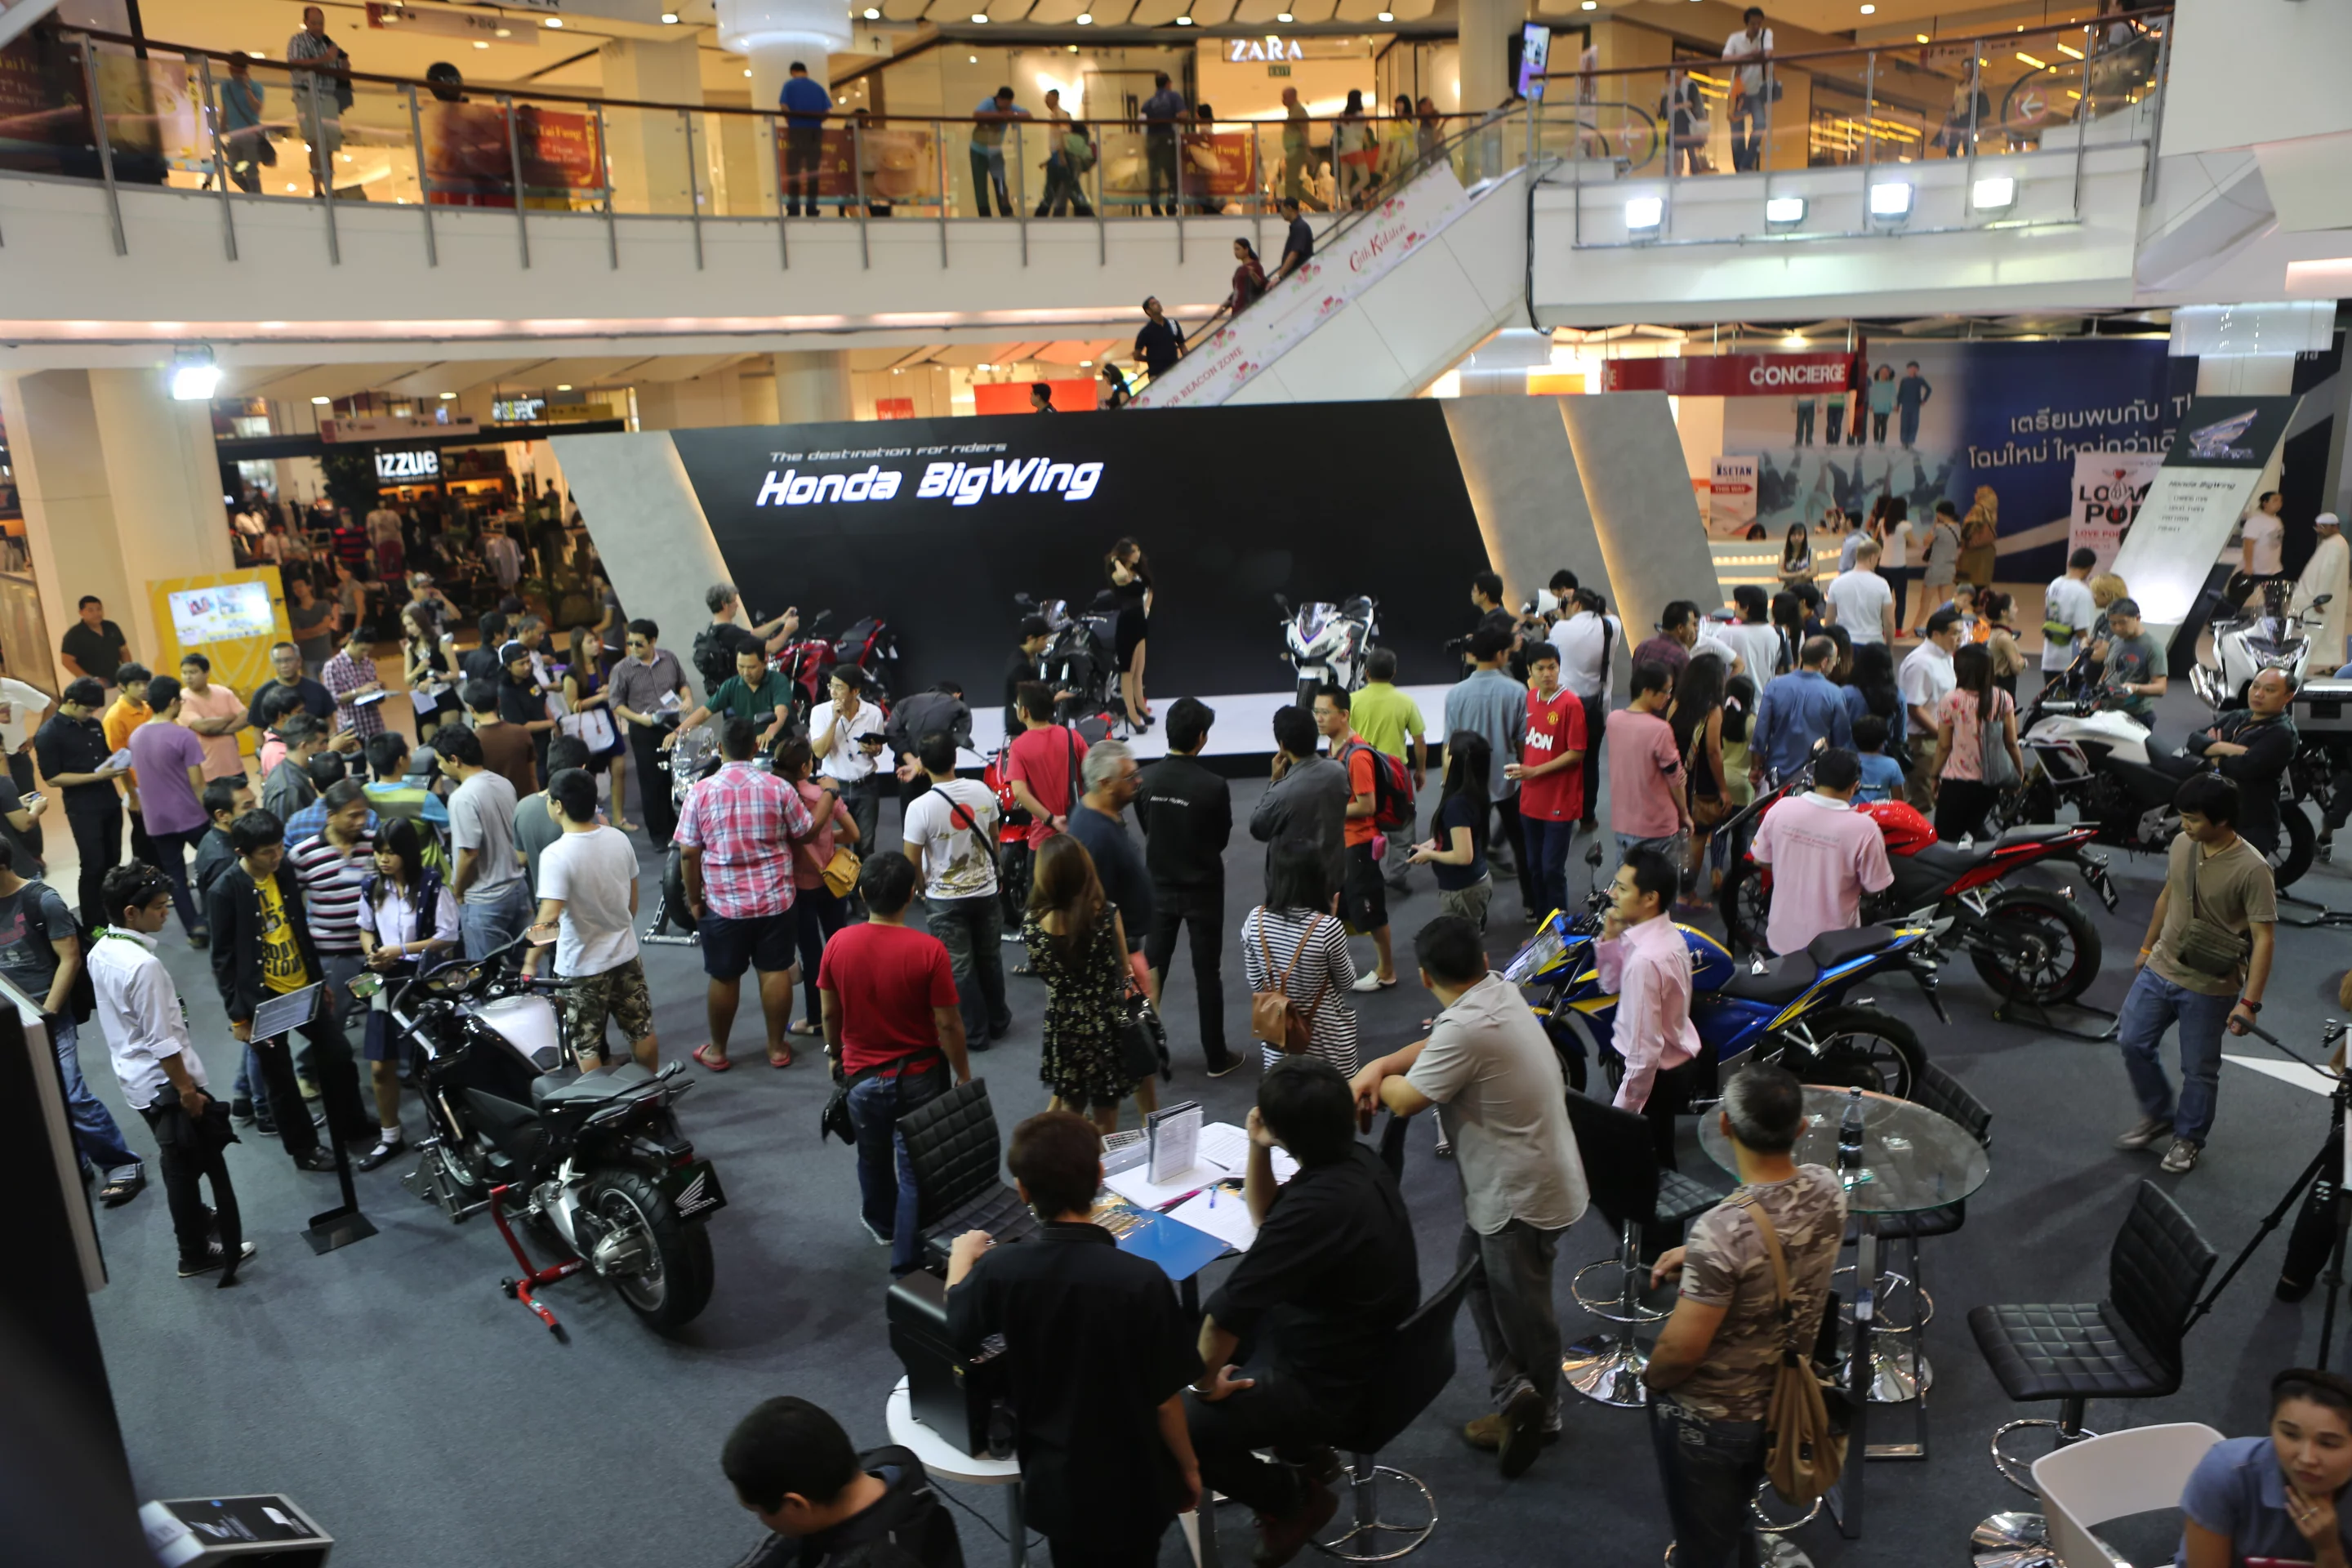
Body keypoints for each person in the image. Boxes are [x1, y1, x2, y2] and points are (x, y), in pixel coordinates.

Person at [1352, 915, 1586, 1478]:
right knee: (1476, 1279)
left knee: (1524, 1310)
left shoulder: (1466, 1031)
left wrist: (1374, 1078)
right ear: (1481, 961)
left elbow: (1406, 1100)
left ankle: (1541, 1413)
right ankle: (1517, 1394)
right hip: (1533, 1178)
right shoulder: (1498, 990)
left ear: (1425, 975)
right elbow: (1439, 1042)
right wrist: (1381, 1063)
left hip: (1518, 1197)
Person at [1186, 1058, 1419, 1568]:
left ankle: (1292, 1499)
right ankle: (1307, 1453)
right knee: (1211, 1346)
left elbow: (1226, 1315)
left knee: (1179, 1421)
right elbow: (1267, 1217)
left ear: (1287, 1135)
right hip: (1374, 1342)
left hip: (1336, 1379)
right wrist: (1256, 1145)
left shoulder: (1316, 1208)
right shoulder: (1356, 1162)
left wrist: (1203, 1386)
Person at [947, 1109, 1203, 1567]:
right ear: (1101, 1176)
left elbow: (959, 1325)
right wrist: (1188, 1466)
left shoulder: (1002, 1269)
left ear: (1022, 1189)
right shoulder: (1142, 1280)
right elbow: (1165, 1401)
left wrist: (961, 1259)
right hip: (1134, 1485)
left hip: (1059, 1487)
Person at [1642, 1061, 1845, 1568]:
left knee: (1705, 1544)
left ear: (1727, 1126)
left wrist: (1652, 1379)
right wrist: (1702, 1256)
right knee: (1737, 1514)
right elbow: (1785, 1239)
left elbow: (1682, 1350)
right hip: (1788, 1398)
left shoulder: (1720, 1230)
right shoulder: (1828, 1189)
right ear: (1799, 1129)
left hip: (1715, 1419)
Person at [90, 864, 255, 1279]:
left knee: (180, 1161)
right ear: (131, 912)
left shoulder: (102, 948)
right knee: (183, 1169)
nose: (168, 914)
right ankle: (194, 1253)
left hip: (137, 1079)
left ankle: (197, 1225)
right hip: (167, 1084)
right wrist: (188, 1090)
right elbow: (161, 1038)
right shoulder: (142, 967)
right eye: (161, 907)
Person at [2114, 773, 2274, 1176]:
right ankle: (2158, 1113)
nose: (2185, 825)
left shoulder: (2254, 869)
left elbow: (2264, 939)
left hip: (2210, 985)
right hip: (2160, 967)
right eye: (2183, 816)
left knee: (2199, 1070)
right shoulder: (2183, 844)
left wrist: (2250, 1004)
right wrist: (2147, 949)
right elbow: (2168, 895)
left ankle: (2188, 1138)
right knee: (2132, 1041)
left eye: (2194, 819)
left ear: (2223, 820)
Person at [819, 852, 971, 1273]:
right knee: (916, 1163)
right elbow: (949, 1024)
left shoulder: (838, 943)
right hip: (921, 1075)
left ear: (863, 894)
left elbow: (830, 1014)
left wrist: (835, 1055)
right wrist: (962, 1072)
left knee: (871, 1156)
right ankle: (911, 1246)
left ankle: (882, 1224)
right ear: (911, 895)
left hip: (862, 1080)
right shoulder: (929, 950)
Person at [207, 808, 375, 1172]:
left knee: (338, 1052)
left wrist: (318, 982)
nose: (277, 856)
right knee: (280, 1078)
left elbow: (301, 930)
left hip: (305, 987)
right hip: (263, 1000)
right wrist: (238, 1015)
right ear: (243, 852)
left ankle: (352, 1125)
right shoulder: (224, 891)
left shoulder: (283, 872)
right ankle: (305, 1150)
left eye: (279, 847)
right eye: (267, 852)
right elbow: (222, 960)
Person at [1, 854, 144, 1205]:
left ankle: (121, 1164)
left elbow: (70, 958)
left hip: (48, 1011)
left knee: (70, 1093)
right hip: (11, 1016)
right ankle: (74, 1159)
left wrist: (47, 1013)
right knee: (33, 1097)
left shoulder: (42, 900)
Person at [678, 718, 815, 1072]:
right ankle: (777, 1048)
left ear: (719, 750)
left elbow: (689, 853)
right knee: (774, 971)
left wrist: (694, 899)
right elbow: (804, 833)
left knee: (724, 976)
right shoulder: (779, 788)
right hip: (776, 900)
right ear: (756, 748)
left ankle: (718, 1051)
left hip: (723, 905)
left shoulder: (701, 791)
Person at [719, 1396, 965, 1568]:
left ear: (796, 1504)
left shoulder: (876, 1558)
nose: (764, 1522)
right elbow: (789, 1539)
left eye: (757, 1512)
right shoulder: (882, 1467)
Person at [523, 766, 656, 1073]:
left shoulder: (556, 855)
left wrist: (530, 961)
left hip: (581, 967)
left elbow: (549, 918)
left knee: (585, 1044)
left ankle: (603, 1112)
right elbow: (632, 903)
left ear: (558, 806)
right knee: (641, 1030)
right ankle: (652, 1090)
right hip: (625, 954)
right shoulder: (618, 838)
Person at [1136, 697, 1235, 1075]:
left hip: (1158, 887)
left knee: (1152, 972)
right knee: (1207, 973)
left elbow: (1147, 826)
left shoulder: (1145, 779)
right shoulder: (1213, 785)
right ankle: (1215, 1057)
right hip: (1203, 889)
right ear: (1202, 737)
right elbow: (1221, 839)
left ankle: (1148, 1055)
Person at [353, 817, 456, 1169]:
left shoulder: (431, 886)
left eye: (391, 853)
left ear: (407, 853)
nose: (384, 859)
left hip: (422, 982)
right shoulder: (371, 887)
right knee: (381, 1065)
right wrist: (373, 953)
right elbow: (365, 928)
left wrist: (400, 949)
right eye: (380, 852)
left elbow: (448, 936)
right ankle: (390, 1136)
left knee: (430, 1063)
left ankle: (449, 1133)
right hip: (385, 981)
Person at [1025, 833, 1145, 1134]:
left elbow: (1045, 974)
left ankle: (1071, 1171)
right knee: (1106, 1117)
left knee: (1071, 1110)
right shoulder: (1106, 915)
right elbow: (1123, 970)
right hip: (1104, 1023)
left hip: (1064, 1024)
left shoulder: (1032, 924)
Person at [2176, 1366, 2352, 1568]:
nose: (2306, 1458)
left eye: (2328, 1443)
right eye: (2290, 1434)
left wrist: (2328, 1550)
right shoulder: (2226, 1471)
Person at [901, 729, 1011, 1053]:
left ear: (923, 765)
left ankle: (976, 1034)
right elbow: (995, 838)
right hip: (986, 891)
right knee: (990, 957)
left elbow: (912, 863)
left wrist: (923, 891)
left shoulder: (920, 807)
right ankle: (998, 1020)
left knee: (960, 967)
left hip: (944, 899)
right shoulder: (981, 791)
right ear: (955, 758)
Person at [1592, 849, 1701, 1156]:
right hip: (1665, 1069)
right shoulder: (1663, 934)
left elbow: (1644, 1054)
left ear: (1650, 898)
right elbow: (1610, 984)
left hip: (1655, 1078)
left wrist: (1622, 1114)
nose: (1612, 894)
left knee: (1651, 1167)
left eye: (1622, 889)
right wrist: (1611, 937)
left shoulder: (1646, 959)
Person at [1746, 746, 1892, 956]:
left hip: (1781, 937)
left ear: (1813, 780)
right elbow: (1874, 887)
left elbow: (1760, 860)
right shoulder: (1865, 829)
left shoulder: (1781, 809)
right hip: (1833, 949)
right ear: (1855, 786)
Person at [1241, 839, 1359, 1076]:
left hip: (1280, 1038)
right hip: (1326, 1040)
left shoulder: (1254, 920)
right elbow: (1346, 983)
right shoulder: (1328, 928)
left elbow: (1257, 984)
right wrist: (1329, 918)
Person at [1313, 685, 1399, 988]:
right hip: (1342, 844)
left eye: (1325, 712)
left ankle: (1387, 971)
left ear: (1344, 714)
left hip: (1359, 845)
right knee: (1344, 909)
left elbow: (1368, 805)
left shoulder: (1356, 755)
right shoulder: (1335, 748)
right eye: (1316, 712)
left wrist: (1328, 809)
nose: (1319, 718)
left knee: (1371, 911)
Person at [2172, 666, 2299, 860]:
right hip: (2214, 812)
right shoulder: (2240, 716)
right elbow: (2194, 740)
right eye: (2255, 686)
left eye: (2270, 690)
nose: (2258, 694)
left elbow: (2243, 768)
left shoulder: (2282, 733)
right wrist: (2228, 748)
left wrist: (2212, 750)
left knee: (2233, 881)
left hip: (2249, 820)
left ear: (2288, 696)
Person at [780, 736, 858, 1040]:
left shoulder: (781, 796)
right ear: (805, 766)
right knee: (840, 948)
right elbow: (854, 832)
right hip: (831, 882)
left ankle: (816, 1018)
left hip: (797, 887)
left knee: (811, 954)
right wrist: (827, 838)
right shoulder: (825, 794)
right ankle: (849, 1011)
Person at [1066, 738, 1155, 1000]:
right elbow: (1096, 910)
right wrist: (1124, 969)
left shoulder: (1100, 812)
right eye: (1129, 777)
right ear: (1105, 784)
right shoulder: (1095, 837)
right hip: (1120, 963)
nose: (1138, 781)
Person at [437, 724, 533, 961]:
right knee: (527, 969)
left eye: (440, 761)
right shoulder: (502, 782)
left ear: (455, 759)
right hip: (518, 888)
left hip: (485, 901)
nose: (439, 767)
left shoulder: (462, 798)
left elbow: (469, 854)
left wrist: (457, 892)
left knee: (486, 979)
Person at [127, 677, 211, 946]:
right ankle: (215, 916)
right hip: (190, 815)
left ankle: (195, 930)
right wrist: (210, 811)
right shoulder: (183, 735)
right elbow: (197, 782)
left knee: (175, 876)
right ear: (174, 702)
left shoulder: (136, 736)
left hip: (157, 820)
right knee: (213, 864)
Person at [1506, 645, 1588, 921]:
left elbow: (1577, 752)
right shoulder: (1529, 699)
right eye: (1540, 669)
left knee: (1552, 869)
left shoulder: (1571, 704)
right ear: (1529, 671)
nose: (1547, 674)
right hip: (1530, 800)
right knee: (1534, 868)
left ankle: (1559, 928)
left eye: (1552, 667)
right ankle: (1543, 927)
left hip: (1559, 801)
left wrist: (1535, 771)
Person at [36, 679, 126, 926]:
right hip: (83, 809)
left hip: (109, 801)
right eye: (87, 709)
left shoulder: (94, 725)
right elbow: (53, 778)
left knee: (113, 862)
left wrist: (117, 763)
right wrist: (95, 776)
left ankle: (113, 914)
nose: (91, 715)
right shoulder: (49, 733)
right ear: (71, 702)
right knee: (93, 865)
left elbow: (105, 758)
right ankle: (93, 923)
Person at [1443, 628, 1528, 887]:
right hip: (1509, 779)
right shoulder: (1517, 691)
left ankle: (1477, 917)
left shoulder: (1455, 693)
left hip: (1468, 782)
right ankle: (1532, 905)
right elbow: (1521, 740)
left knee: (1472, 848)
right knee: (1521, 843)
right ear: (1501, 654)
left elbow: (1449, 743)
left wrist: (1448, 782)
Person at [609, 619, 693, 850]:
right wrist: (640, 718)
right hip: (643, 728)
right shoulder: (623, 669)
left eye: (639, 644)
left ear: (653, 641)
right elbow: (616, 703)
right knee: (651, 782)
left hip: (671, 724)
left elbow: (682, 683)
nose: (634, 649)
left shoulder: (669, 659)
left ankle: (676, 826)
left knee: (674, 778)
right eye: (630, 643)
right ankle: (659, 834)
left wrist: (687, 698)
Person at [1251, 703, 1348, 897]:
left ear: (1282, 745)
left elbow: (1259, 828)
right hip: (1333, 874)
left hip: (1292, 887)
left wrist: (1274, 782)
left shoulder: (1282, 792)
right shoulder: (1338, 771)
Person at [1931, 643, 2020, 843]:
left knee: (1946, 837)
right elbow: (2011, 742)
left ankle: (1952, 874)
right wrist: (2018, 773)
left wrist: (1934, 774)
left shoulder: (1952, 700)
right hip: (1989, 782)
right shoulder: (2003, 698)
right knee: (1973, 832)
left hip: (1956, 782)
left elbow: (1944, 745)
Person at [1608, 662, 1690, 865]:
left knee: (1628, 887)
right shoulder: (1660, 730)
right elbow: (1675, 779)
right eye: (1666, 691)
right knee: (1660, 889)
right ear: (1647, 691)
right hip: (1657, 824)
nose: (1669, 696)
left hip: (1623, 822)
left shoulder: (1613, 719)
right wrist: (1685, 813)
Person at [1552, 587, 1619, 834]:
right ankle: (1587, 817)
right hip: (1598, 707)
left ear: (1577, 605)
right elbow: (1610, 615)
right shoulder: (1612, 627)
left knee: (1563, 761)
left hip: (1566, 707)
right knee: (1590, 763)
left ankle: (1562, 813)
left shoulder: (1561, 628)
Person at [1410, 733, 1493, 930]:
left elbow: (1463, 856)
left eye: (1448, 753)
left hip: (1463, 890)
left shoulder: (1458, 804)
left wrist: (1431, 854)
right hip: (1472, 884)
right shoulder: (1475, 792)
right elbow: (1466, 834)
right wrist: (1437, 841)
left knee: (1462, 947)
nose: (1444, 756)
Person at [1749, 635, 1851, 790]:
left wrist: (1756, 767)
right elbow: (1841, 742)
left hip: (1776, 776)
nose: (1835, 665)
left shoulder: (1775, 686)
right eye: (1834, 660)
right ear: (1824, 662)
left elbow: (1760, 735)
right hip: (1815, 778)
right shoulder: (1835, 694)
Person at [1006, 680, 1088, 853]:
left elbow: (1019, 792)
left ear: (1025, 711)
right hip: (1077, 832)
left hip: (1043, 840)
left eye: (1018, 705)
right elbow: (1093, 773)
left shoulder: (1018, 746)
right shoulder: (1071, 735)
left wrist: (1052, 819)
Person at [810, 667, 884, 852]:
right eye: (831, 686)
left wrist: (874, 749)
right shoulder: (820, 712)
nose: (833, 692)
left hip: (866, 785)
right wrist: (834, 720)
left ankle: (863, 881)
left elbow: (878, 749)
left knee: (866, 843)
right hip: (834, 788)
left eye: (839, 687)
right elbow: (819, 752)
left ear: (855, 691)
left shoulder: (873, 713)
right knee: (834, 844)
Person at [286, 4, 350, 198]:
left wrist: (343, 62)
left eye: (321, 23)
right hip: (307, 96)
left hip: (328, 97)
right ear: (305, 22)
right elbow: (294, 63)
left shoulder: (328, 44)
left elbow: (342, 69)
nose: (318, 27)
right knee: (315, 142)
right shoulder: (297, 41)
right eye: (314, 23)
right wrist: (325, 59)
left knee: (329, 146)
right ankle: (317, 188)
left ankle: (329, 188)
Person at [1900, 609, 1964, 793]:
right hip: (1924, 741)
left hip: (1941, 737)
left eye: (1962, 632)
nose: (1960, 638)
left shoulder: (1946, 656)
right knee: (1923, 797)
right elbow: (1914, 707)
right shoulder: (1920, 663)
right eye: (1955, 633)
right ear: (1936, 634)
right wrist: (1942, 733)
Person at [174, 653, 248, 782]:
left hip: (235, 768)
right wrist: (228, 717)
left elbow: (246, 717)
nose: (188, 677)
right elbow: (203, 727)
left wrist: (220, 730)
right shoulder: (182, 699)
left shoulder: (223, 692)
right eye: (184, 673)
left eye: (193, 672)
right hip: (206, 774)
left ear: (206, 673)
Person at [461, 679, 537, 799]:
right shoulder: (521, 732)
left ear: (471, 709)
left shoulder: (472, 742)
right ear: (498, 701)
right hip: (526, 803)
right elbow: (533, 777)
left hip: (495, 808)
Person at [1107, 538, 1154, 733]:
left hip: (1140, 622)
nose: (1138, 554)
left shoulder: (1138, 573)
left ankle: (1141, 707)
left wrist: (1147, 607)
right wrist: (1115, 560)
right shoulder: (1119, 574)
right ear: (1125, 554)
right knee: (1128, 671)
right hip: (1127, 625)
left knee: (1139, 670)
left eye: (1138, 550)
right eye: (1134, 551)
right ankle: (1132, 714)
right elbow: (1123, 575)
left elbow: (1149, 589)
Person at [1720, 7, 1775, 174]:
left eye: (1759, 23)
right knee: (1737, 134)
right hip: (1738, 92)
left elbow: (1768, 53)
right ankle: (1741, 169)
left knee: (1760, 125)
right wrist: (1750, 56)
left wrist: (1743, 58)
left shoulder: (1766, 34)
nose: (1757, 27)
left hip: (1757, 90)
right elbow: (1725, 58)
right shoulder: (1735, 39)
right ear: (1747, 24)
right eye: (1753, 24)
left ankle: (1746, 163)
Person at [2100, 596, 2169, 725]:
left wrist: (2135, 688)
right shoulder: (2115, 640)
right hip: (2108, 711)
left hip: (2136, 716)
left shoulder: (2153, 648)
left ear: (2137, 618)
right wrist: (2099, 691)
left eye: (2122, 622)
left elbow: (2161, 688)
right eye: (2113, 623)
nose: (2117, 628)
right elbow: (2109, 669)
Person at [246, 641, 337, 732]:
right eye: (278, 661)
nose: (284, 665)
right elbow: (258, 732)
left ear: (299, 661)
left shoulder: (318, 689)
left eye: (288, 660)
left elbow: (331, 726)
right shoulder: (262, 694)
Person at [1824, 538, 1896, 649]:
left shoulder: (1837, 583)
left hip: (1845, 643)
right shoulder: (1882, 584)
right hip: (1874, 643)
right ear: (1872, 558)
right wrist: (1889, 647)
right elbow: (1889, 622)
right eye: (1878, 559)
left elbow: (1829, 619)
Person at [781, 60, 831, 218]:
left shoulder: (789, 85)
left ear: (793, 72)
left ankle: (794, 208)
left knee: (794, 170)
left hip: (797, 130)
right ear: (806, 71)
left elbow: (783, 105)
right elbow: (828, 110)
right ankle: (812, 208)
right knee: (813, 172)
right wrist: (817, 121)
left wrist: (791, 119)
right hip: (815, 132)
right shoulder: (818, 88)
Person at [967, 87, 1026, 217]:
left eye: (1008, 106)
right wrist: (1000, 116)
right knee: (980, 185)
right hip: (978, 151)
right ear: (998, 99)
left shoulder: (1011, 107)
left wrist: (1012, 114)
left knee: (1000, 183)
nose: (1005, 108)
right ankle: (984, 214)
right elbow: (976, 114)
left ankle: (1006, 212)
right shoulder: (988, 103)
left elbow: (1028, 115)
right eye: (1003, 105)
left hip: (995, 151)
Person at [2044, 546, 2101, 679]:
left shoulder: (2054, 584)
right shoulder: (2082, 592)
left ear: (2069, 563)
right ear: (2090, 568)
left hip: (2049, 655)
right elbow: (2082, 630)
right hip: (2070, 660)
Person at [1141, 70, 1187, 216]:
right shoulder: (1174, 97)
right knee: (1173, 176)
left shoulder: (1149, 102)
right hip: (1168, 141)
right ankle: (1171, 206)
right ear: (1168, 84)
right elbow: (1183, 115)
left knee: (1154, 176)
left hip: (1152, 142)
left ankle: (1155, 208)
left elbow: (1142, 121)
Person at [2234, 490, 2288, 606]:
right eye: (2275, 500)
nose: (2279, 503)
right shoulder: (2255, 521)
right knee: (2246, 602)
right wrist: (2248, 567)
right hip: (2257, 571)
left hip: (2275, 570)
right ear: (2265, 503)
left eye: (2280, 500)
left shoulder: (2277, 520)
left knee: (2274, 603)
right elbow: (2248, 544)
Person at [58, 595, 128, 685]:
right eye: (91, 610)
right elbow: (67, 661)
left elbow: (124, 650)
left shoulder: (111, 627)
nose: (96, 614)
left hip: (118, 681)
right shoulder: (74, 634)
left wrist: (128, 672)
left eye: (99, 609)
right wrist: (90, 680)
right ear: (81, 612)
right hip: (94, 686)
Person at [1851, 715, 1906, 804]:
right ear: (1883, 742)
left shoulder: (1848, 762)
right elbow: (1898, 800)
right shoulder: (1892, 765)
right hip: (1881, 812)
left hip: (1854, 812)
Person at [1134, 296, 1185, 383]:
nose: (1158, 305)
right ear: (1148, 311)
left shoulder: (1173, 324)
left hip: (1174, 369)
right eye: (1153, 304)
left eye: (1158, 302)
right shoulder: (1146, 332)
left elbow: (1182, 346)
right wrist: (1150, 359)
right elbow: (1137, 355)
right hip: (1156, 374)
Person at [1274, 194, 1316, 286]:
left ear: (1289, 208)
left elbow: (1294, 254)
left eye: (1282, 209)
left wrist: (1279, 276)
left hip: (1299, 278)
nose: (1281, 213)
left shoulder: (1300, 228)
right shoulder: (1298, 227)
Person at [1775, 524, 1813, 593]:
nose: (1796, 537)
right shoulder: (1783, 554)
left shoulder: (1811, 552)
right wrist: (1800, 573)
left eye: (1800, 534)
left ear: (1804, 536)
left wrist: (1788, 576)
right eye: (1793, 534)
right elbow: (1780, 575)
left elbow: (1813, 572)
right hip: (1789, 590)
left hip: (1807, 590)